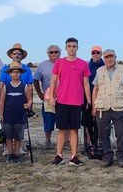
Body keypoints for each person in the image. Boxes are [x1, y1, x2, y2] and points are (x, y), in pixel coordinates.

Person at [49, 37, 91, 166]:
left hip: (77, 101)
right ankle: (59, 155)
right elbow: (54, 81)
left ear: (77, 48)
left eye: (74, 46)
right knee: (61, 129)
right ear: (66, 48)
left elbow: (86, 84)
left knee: (74, 130)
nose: (72, 48)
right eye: (69, 46)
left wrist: (89, 100)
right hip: (62, 100)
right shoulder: (59, 63)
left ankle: (74, 156)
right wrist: (51, 96)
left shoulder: (83, 64)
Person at [91, 49, 123, 167]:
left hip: (119, 106)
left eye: (111, 57)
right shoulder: (99, 71)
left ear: (115, 57)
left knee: (120, 133)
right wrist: (94, 106)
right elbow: (96, 88)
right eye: (106, 57)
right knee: (103, 134)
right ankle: (107, 156)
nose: (109, 59)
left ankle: (121, 156)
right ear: (104, 59)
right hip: (102, 106)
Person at [0, 43, 34, 155]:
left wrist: (30, 104)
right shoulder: (5, 68)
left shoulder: (27, 69)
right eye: (15, 53)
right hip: (8, 107)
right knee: (8, 131)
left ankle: (18, 150)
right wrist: (0, 107)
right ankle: (8, 150)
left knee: (19, 132)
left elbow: (30, 86)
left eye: (19, 53)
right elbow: (1, 86)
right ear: (11, 55)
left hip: (20, 107)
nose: (17, 55)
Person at [34, 44, 61, 148]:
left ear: (60, 53)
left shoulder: (64, 63)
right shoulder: (42, 65)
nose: (54, 54)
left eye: (56, 52)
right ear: (48, 54)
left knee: (64, 121)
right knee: (48, 120)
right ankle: (48, 141)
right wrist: (40, 94)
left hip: (63, 97)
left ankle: (65, 141)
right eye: (51, 52)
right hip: (48, 98)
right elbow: (36, 80)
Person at [83, 45, 105, 150]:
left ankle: (99, 143)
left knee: (99, 123)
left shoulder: (105, 66)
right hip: (87, 98)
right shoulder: (86, 66)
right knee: (87, 123)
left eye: (98, 52)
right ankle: (88, 144)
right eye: (93, 53)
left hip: (102, 99)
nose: (95, 54)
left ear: (101, 54)